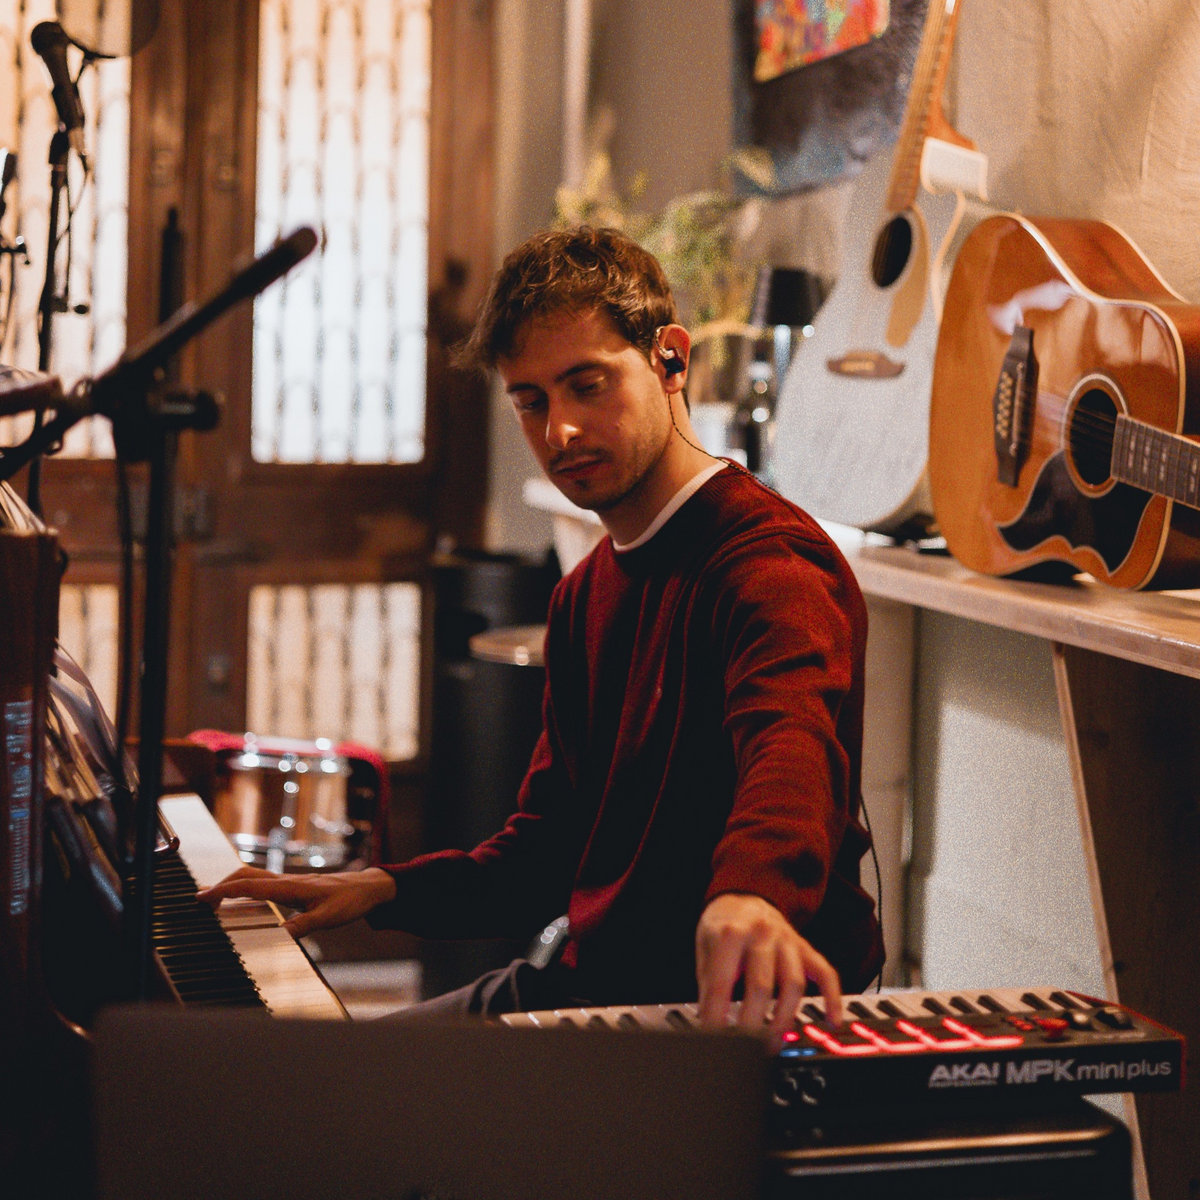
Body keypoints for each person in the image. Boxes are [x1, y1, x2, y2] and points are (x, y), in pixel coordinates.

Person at [199, 225, 884, 1038]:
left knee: (345, 1091)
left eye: (586, 385)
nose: (559, 430)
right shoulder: (584, 595)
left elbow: (791, 747)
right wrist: (384, 888)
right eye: (531, 401)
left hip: (720, 1017)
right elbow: (546, 851)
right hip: (590, 991)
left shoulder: (770, 565)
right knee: (310, 1075)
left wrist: (752, 894)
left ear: (671, 359)